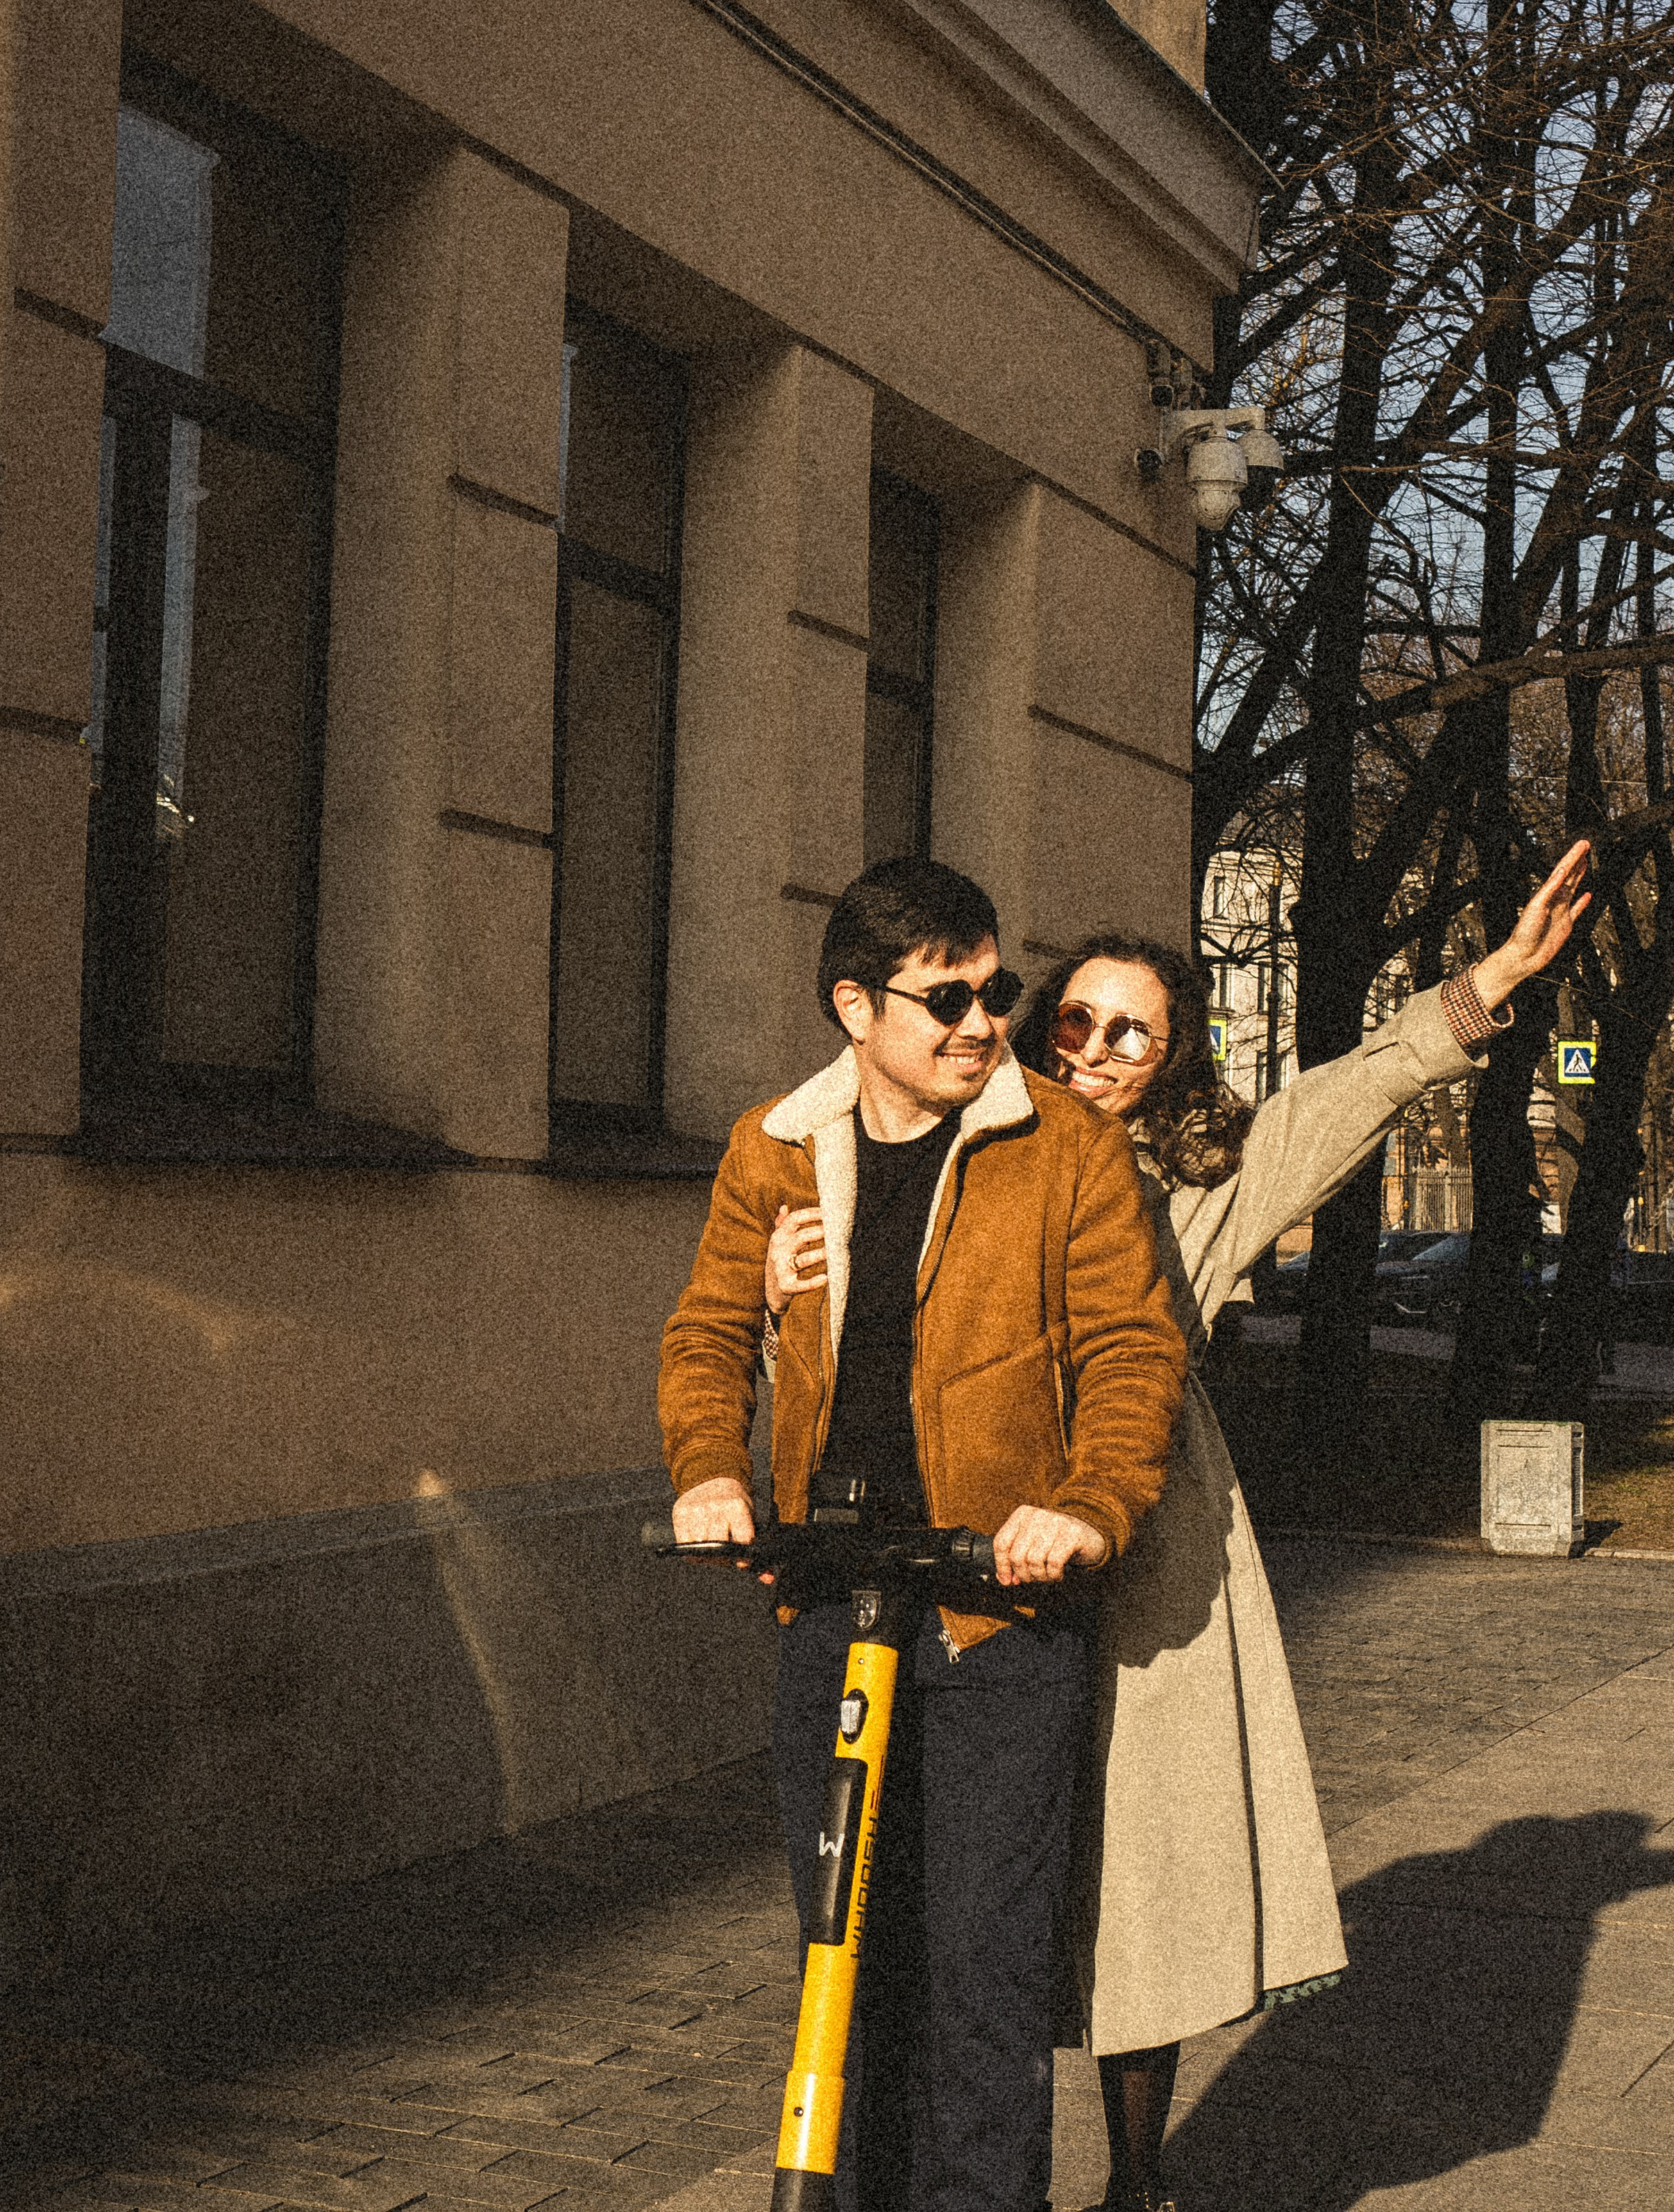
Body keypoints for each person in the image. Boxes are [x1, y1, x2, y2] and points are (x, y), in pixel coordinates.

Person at [989, 838, 1592, 2212]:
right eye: (1076, 1020)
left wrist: (1489, 982)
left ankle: (1136, 2184)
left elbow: (1352, 1090)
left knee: (1135, 1866)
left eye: (1131, 1032)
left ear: (1168, 1064)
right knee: (986, 1870)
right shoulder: (965, 1150)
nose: (1096, 1049)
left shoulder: (1201, 1182)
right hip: (978, 1543)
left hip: (1143, 1554)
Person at [659, 858, 1190, 2212]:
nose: (982, 1023)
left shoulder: (1064, 1148)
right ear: (856, 1007)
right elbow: (707, 1333)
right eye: (946, 999)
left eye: (994, 993)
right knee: (843, 1960)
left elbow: (1133, 1356)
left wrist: (1084, 1508)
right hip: (828, 1595)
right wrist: (710, 1475)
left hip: (990, 1611)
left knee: (981, 1975)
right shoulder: (774, 1147)